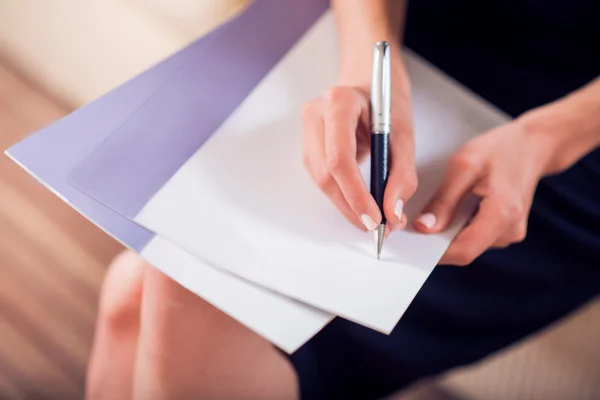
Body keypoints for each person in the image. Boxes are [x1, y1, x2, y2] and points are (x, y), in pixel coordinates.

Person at [86, 1, 600, 399]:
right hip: (403, 36)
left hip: (579, 128)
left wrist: (544, 140)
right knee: (132, 296)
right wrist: (365, 60)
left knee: (182, 291)